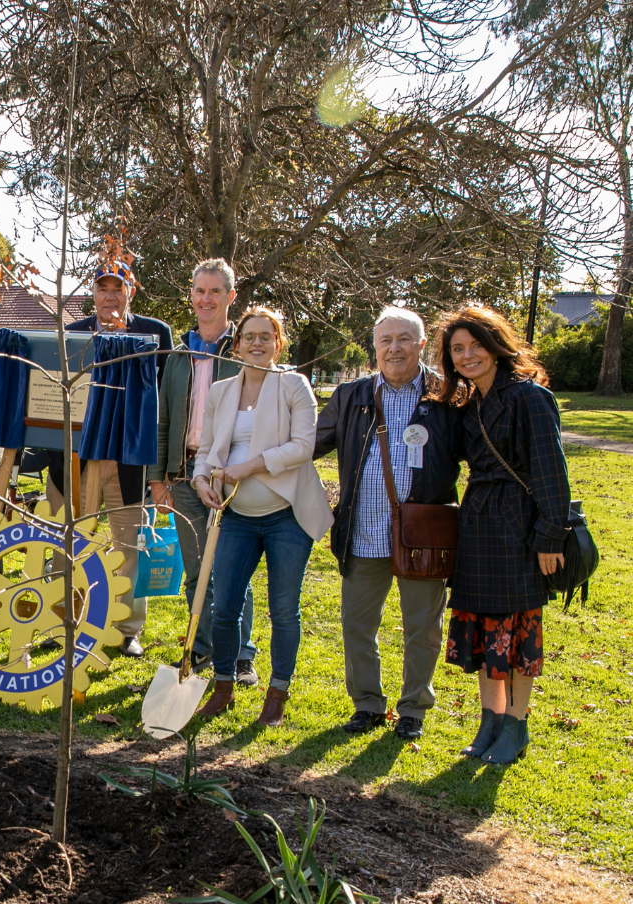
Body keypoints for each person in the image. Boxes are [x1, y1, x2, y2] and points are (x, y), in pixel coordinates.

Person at [313, 307, 462, 740]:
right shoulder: (351, 395)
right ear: (374, 347)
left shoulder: (446, 393)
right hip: (363, 529)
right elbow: (309, 445)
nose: (393, 348)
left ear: (420, 344)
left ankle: (413, 707)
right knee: (357, 624)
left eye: (403, 339)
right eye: (385, 341)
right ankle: (367, 705)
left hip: (424, 532)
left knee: (422, 626)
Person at [437, 305, 570, 764]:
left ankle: (515, 725)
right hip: (476, 526)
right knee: (481, 626)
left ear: (496, 344)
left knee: (516, 629)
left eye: (476, 345)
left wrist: (550, 535)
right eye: (458, 349)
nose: (468, 355)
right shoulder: (469, 404)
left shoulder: (529, 397)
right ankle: (489, 720)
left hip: (518, 526)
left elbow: (551, 469)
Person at [192, 307, 333, 726]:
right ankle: (222, 688)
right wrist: (202, 480)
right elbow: (206, 450)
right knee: (223, 607)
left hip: (286, 516)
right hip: (235, 515)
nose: (257, 343)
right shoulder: (220, 391)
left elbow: (303, 446)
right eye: (249, 336)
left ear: (278, 343)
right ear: (236, 346)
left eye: (266, 337)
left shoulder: (294, 386)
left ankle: (277, 695)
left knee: (284, 610)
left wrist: (247, 467)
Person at [48, 264, 174, 657]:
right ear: (93, 292)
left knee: (129, 547)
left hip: (129, 462)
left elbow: (162, 400)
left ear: (130, 291)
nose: (109, 297)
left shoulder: (154, 334)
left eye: (117, 289)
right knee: (66, 542)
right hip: (76, 459)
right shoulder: (72, 334)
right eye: (102, 288)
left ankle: (126, 629)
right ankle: (62, 619)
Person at [148, 258, 258, 684]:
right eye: (200, 291)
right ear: (191, 296)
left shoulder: (245, 352)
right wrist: (158, 478)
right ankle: (204, 647)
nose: (206, 298)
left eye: (216, 291)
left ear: (231, 297)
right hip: (184, 472)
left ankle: (242, 654)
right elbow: (162, 421)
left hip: (231, 474)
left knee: (232, 569)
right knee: (196, 568)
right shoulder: (178, 356)